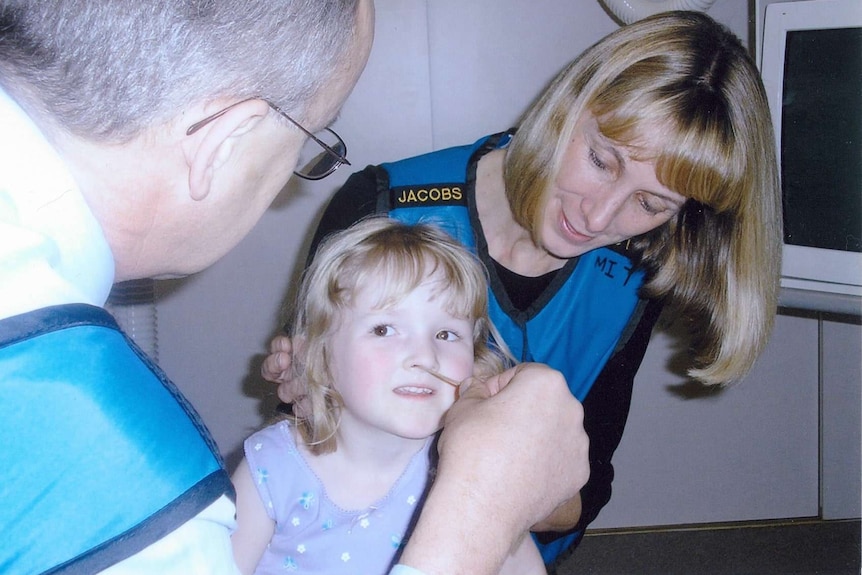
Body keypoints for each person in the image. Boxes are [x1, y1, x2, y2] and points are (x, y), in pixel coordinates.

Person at [0, 2, 591, 575]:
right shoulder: (136, 506)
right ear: (224, 142)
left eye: (445, 332)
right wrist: (482, 513)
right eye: (308, 145)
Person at [263, 9, 783, 568]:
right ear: (567, 108)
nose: (599, 214)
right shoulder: (384, 204)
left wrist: (502, 484)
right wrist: (311, 389)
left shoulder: (636, 276)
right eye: (601, 161)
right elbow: (306, 423)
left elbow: (587, 488)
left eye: (651, 203)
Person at [232, 217, 545, 574]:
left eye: (446, 334)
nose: (425, 357)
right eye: (384, 329)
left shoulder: (471, 470)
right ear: (317, 354)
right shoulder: (272, 466)